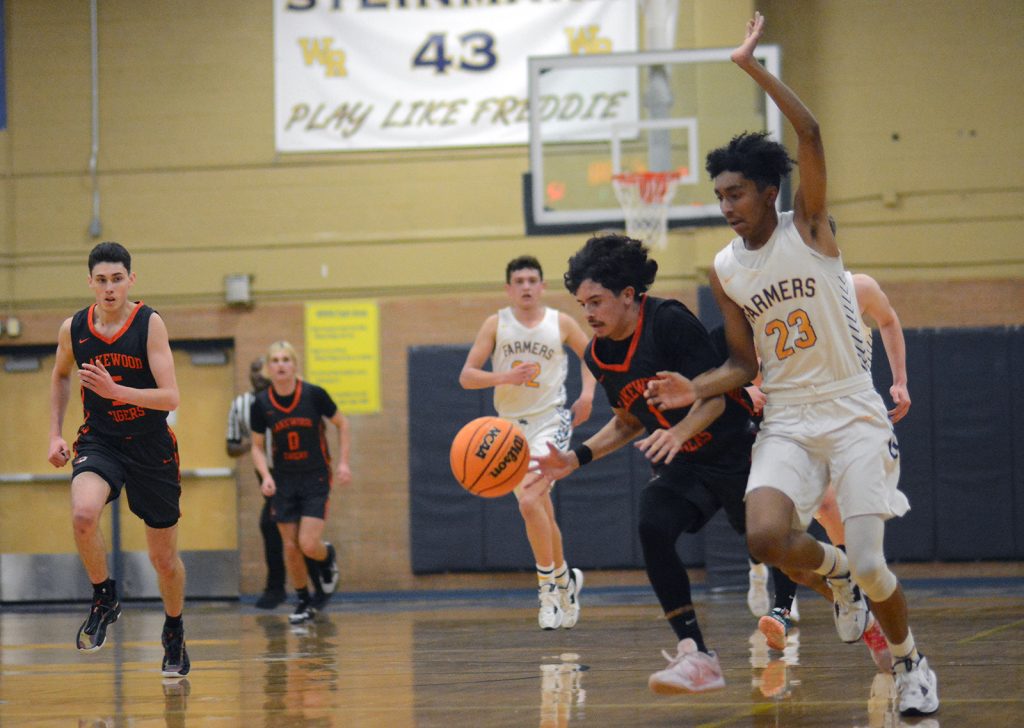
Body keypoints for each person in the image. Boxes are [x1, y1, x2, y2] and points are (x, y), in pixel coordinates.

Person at [644, 13, 938, 716]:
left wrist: (752, 68)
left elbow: (809, 135)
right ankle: (835, 584)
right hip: (790, 416)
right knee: (767, 535)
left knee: (872, 562)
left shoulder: (809, 225)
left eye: (734, 193)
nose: (725, 207)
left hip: (853, 409)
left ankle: (909, 663)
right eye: (718, 197)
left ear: (767, 192)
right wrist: (697, 386)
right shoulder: (723, 268)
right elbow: (744, 364)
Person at [533, 234, 757, 693]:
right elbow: (629, 420)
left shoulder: (669, 321)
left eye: (596, 301)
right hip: (686, 460)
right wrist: (574, 458)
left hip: (736, 449)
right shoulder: (599, 353)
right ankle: (696, 655)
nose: (588, 313)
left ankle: (839, 580)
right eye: (582, 304)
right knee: (653, 525)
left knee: (773, 548)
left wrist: (677, 432)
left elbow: (716, 399)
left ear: (629, 296)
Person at [47, 241, 190, 677]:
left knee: (163, 560)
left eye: (117, 279)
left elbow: (171, 396)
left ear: (131, 279)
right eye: (102, 280)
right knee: (83, 514)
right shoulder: (74, 328)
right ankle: (104, 596)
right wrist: (54, 432)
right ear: (90, 282)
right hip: (101, 440)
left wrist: (116, 391)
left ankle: (174, 630)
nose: (110, 288)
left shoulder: (149, 324)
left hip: (150, 444)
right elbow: (60, 376)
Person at [459, 255, 596, 630]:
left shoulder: (561, 323)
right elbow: (467, 377)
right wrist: (504, 377)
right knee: (540, 509)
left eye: (532, 279)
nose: (525, 286)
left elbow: (594, 357)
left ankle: (548, 590)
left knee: (532, 500)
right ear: (508, 288)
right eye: (518, 280)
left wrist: (586, 394)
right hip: (508, 430)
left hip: (551, 421)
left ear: (542, 286)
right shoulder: (496, 323)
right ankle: (565, 579)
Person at [250, 341, 351, 625]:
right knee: (290, 546)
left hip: (315, 476)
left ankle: (326, 554)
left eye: (286, 359)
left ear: (295, 365)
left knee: (308, 544)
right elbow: (256, 447)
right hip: (283, 479)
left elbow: (342, 423)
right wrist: (266, 477)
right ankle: (303, 600)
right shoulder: (261, 404)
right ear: (269, 369)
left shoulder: (314, 395)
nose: (281, 365)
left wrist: (343, 462)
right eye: (275, 360)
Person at [226, 357, 288, 609]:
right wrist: (254, 444)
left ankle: (279, 588)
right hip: (265, 473)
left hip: (293, 469)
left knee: (273, 524)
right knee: (275, 526)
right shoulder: (241, 405)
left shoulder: (287, 399)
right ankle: (282, 587)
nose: (258, 375)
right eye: (253, 369)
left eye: (262, 369)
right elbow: (230, 446)